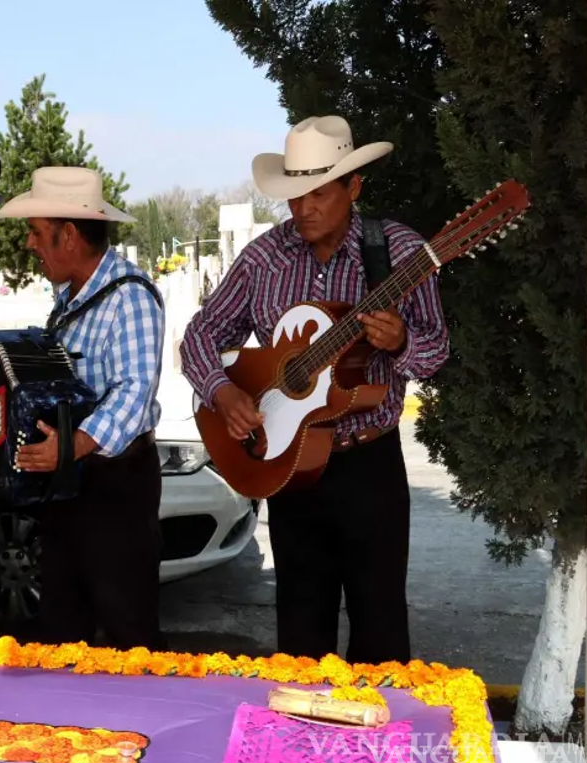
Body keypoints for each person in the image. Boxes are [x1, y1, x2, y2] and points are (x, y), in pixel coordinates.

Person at [179, 116, 449, 665]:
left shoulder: (399, 252)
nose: (302, 208)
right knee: (300, 632)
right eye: (294, 195)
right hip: (291, 465)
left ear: (354, 187)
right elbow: (201, 334)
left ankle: (378, 747)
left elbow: (436, 353)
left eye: (317, 194)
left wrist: (399, 343)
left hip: (369, 464)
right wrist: (223, 393)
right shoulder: (264, 258)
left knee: (380, 628)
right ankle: (302, 748)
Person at [0, 166, 166, 651]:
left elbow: (134, 391)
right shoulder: (69, 299)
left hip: (116, 487)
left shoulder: (129, 297)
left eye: (36, 231)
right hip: (71, 483)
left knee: (127, 632)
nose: (30, 243)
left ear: (68, 235)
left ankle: (138, 726)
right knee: (62, 623)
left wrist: (72, 445)